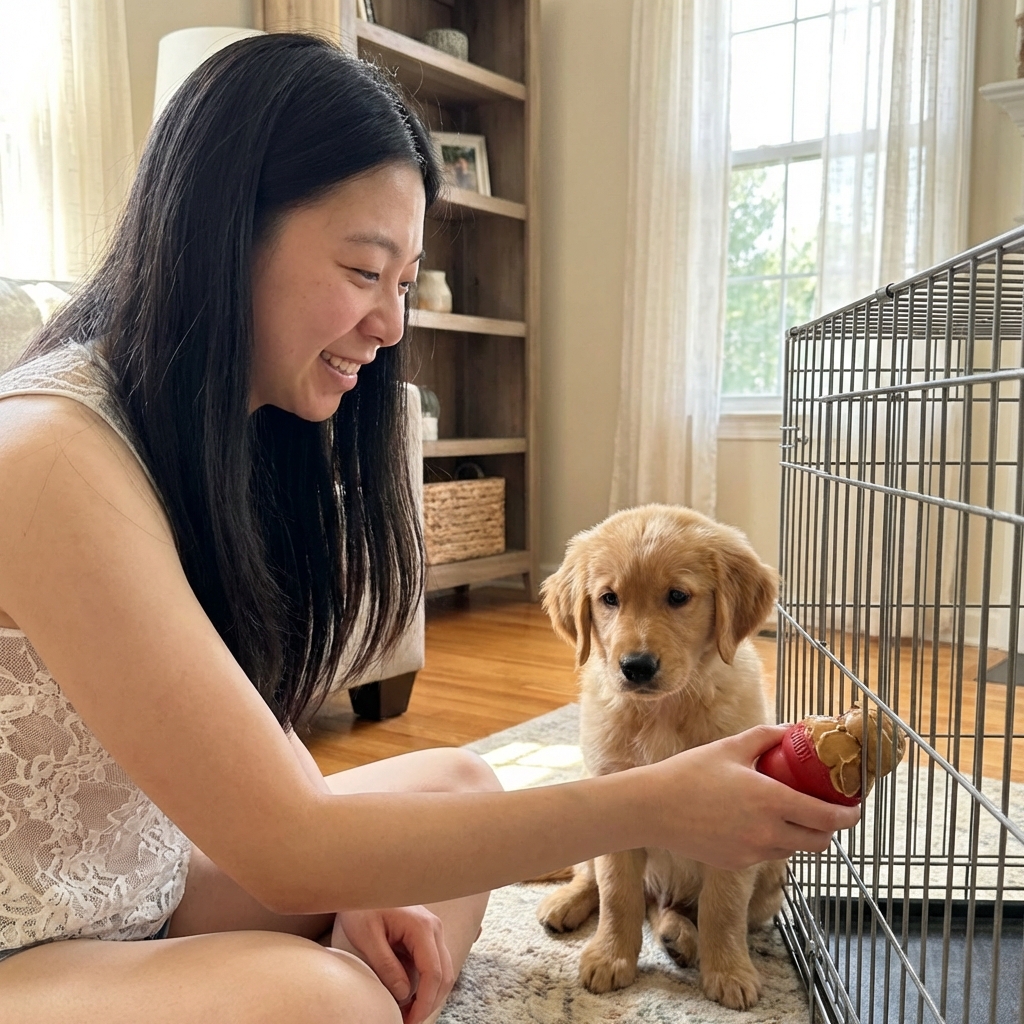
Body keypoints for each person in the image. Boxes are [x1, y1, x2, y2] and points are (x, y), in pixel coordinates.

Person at [0, 33, 859, 1024]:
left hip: (136, 883)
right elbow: (284, 848)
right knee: (323, 1000)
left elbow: (249, 735)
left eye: (404, 281)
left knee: (456, 783)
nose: (392, 324)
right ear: (222, 233)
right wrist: (659, 801)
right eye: (366, 271)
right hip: (28, 939)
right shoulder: (50, 456)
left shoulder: (199, 429)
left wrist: (359, 881)